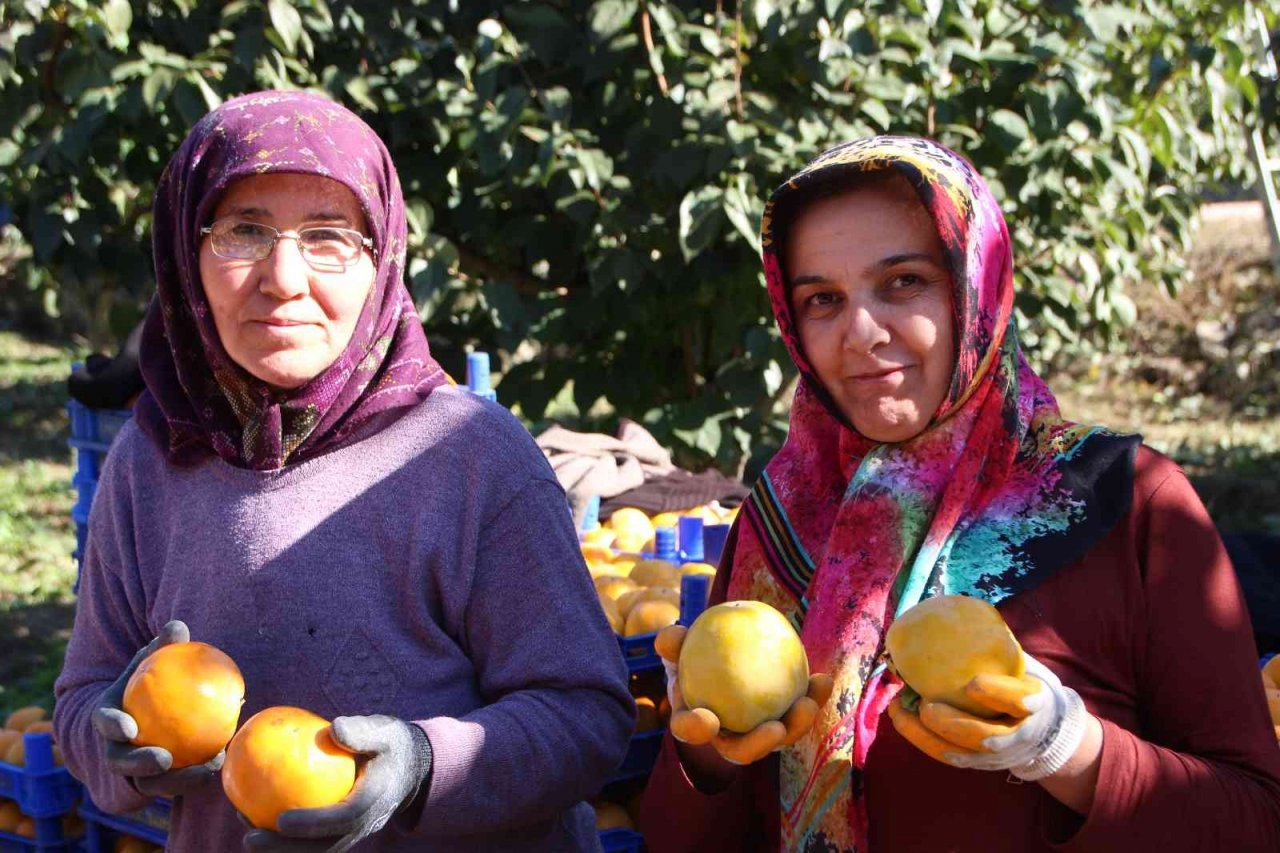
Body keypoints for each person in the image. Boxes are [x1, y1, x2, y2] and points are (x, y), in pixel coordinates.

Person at [640, 135, 1280, 851]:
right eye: (822, 298)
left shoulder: (1127, 504)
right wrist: (706, 753)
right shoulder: (782, 519)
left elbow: (1254, 818)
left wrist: (1066, 749)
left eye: (905, 281)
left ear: (979, 283)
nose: (860, 331)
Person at [53, 90, 633, 852]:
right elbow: (79, 702)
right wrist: (120, 748)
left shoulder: (469, 458)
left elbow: (587, 715)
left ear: (381, 255)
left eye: (327, 237)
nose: (284, 277)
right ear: (183, 253)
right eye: (243, 231)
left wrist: (422, 768)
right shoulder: (152, 458)